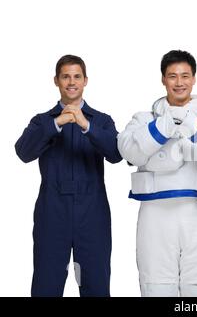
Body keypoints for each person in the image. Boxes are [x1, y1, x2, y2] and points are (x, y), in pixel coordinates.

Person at [118, 50, 197, 297]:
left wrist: (193, 123)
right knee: (156, 285)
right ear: (163, 79)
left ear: (194, 79)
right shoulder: (144, 119)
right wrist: (165, 124)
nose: (179, 82)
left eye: (185, 76)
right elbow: (129, 151)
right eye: (172, 76)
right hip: (155, 216)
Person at [15, 55, 122, 296]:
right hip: (52, 211)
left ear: (85, 81)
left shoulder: (101, 121)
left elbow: (116, 153)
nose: (71, 82)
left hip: (92, 212)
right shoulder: (42, 120)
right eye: (65, 76)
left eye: (76, 76)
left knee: (96, 284)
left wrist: (86, 126)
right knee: (46, 284)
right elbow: (23, 152)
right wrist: (57, 123)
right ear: (56, 81)